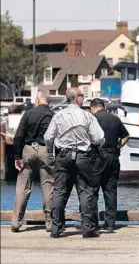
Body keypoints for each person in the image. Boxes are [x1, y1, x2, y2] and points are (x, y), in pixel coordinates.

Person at [44, 88, 105, 238]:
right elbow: (99, 137)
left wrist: (52, 150)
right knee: (85, 191)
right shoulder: (87, 116)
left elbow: (47, 137)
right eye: (82, 96)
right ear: (77, 99)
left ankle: (56, 228)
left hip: (63, 155)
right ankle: (88, 228)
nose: (83, 99)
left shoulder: (58, 116)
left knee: (59, 190)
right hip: (83, 156)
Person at [11, 90, 54, 233]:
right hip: (45, 150)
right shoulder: (52, 115)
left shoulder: (28, 113)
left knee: (23, 186)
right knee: (48, 186)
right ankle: (49, 223)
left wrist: (17, 155)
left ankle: (16, 222)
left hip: (28, 150)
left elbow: (19, 135)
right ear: (49, 101)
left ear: (37, 100)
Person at [90, 98, 130, 232]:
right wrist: (118, 146)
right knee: (111, 190)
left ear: (93, 108)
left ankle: (93, 223)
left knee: (93, 190)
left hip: (98, 157)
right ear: (103, 106)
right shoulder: (115, 119)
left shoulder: (92, 118)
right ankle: (110, 224)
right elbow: (126, 136)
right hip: (113, 156)